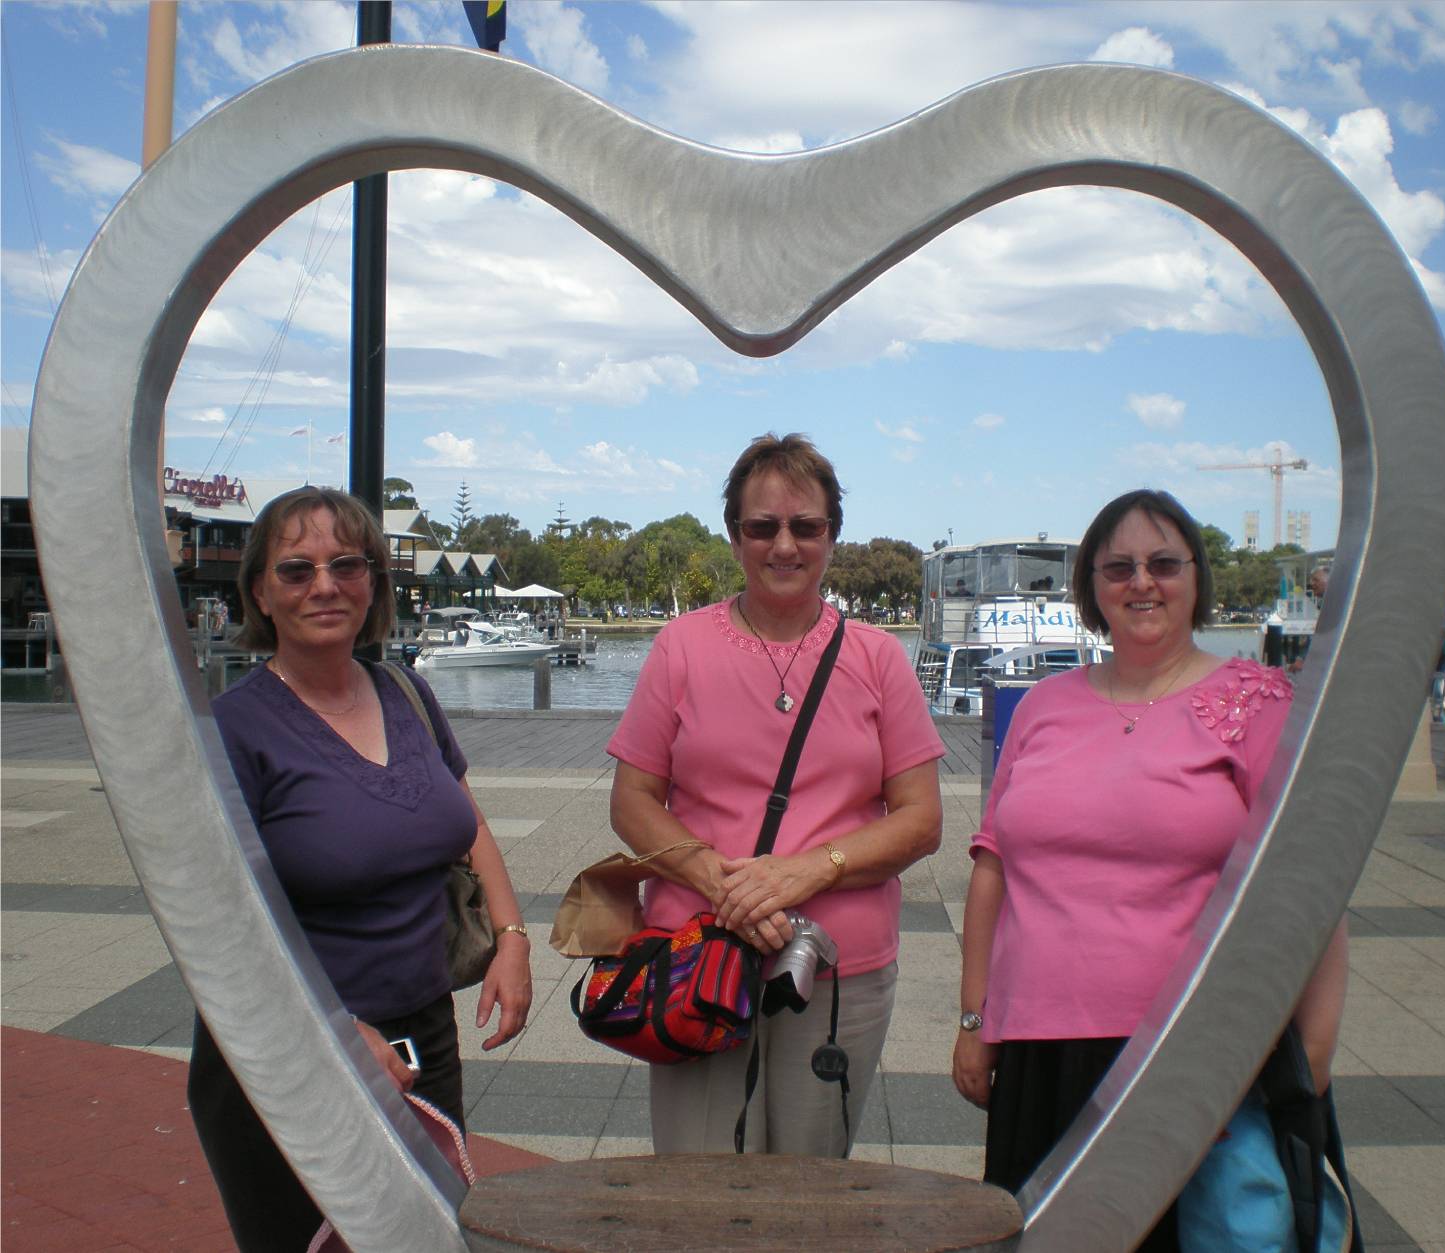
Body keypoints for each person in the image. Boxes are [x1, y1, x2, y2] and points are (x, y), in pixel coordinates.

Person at [951, 489, 1348, 1248]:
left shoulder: (1260, 702)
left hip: (1191, 1057)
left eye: (1165, 563)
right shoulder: (1041, 705)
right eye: (1119, 566)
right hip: (1041, 1048)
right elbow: (993, 869)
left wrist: (1313, 1059)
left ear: (1197, 576)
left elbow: (1313, 889)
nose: (1143, 582)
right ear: (1092, 587)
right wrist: (975, 1020)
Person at [188, 487, 533, 1252]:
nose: (325, 584)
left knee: (433, 1237)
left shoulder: (406, 691)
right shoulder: (231, 731)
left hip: (423, 1041)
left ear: (374, 581)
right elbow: (216, 923)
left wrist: (511, 936)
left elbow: (467, 822)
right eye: (296, 568)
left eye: (347, 564)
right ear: (259, 593)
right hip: (292, 1055)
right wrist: (335, 1030)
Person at [607, 433, 944, 1157]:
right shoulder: (681, 646)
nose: (784, 544)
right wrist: (722, 883)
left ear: (832, 535)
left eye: (805, 526)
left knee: (810, 1193)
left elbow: (920, 820)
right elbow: (632, 798)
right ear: (735, 536)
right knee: (699, 1185)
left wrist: (801, 872)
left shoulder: (879, 658)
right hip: (696, 958)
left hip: (835, 971)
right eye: (762, 526)